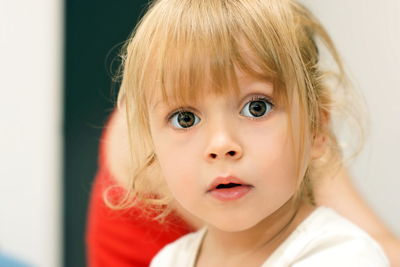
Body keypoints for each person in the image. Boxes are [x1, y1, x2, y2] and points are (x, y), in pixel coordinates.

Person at [86, 0, 400, 266]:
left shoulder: (342, 257)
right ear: (149, 146)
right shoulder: (169, 260)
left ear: (316, 129)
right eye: (185, 118)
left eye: (257, 108)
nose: (221, 144)